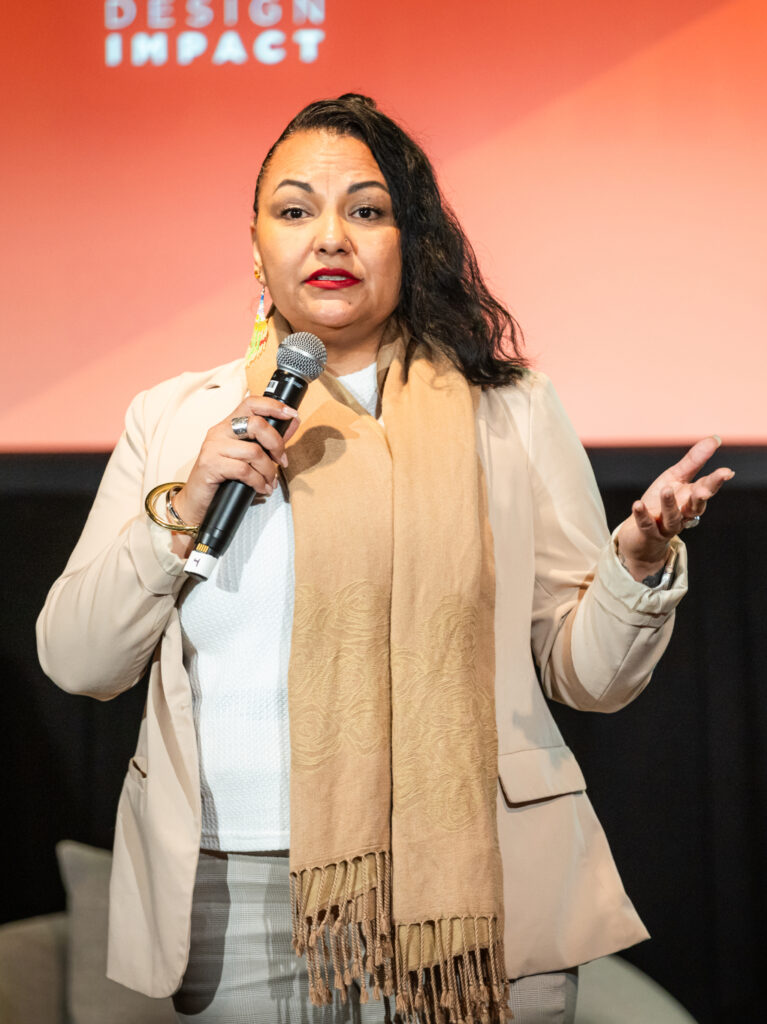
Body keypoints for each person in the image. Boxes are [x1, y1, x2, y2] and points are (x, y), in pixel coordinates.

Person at [37, 94, 732, 1024]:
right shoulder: (173, 420)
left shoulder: (511, 411)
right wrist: (183, 511)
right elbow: (79, 661)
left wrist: (637, 562)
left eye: (366, 211)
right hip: (231, 904)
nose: (330, 236)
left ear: (413, 242)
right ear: (254, 247)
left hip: (469, 894)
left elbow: (586, 676)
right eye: (294, 211)